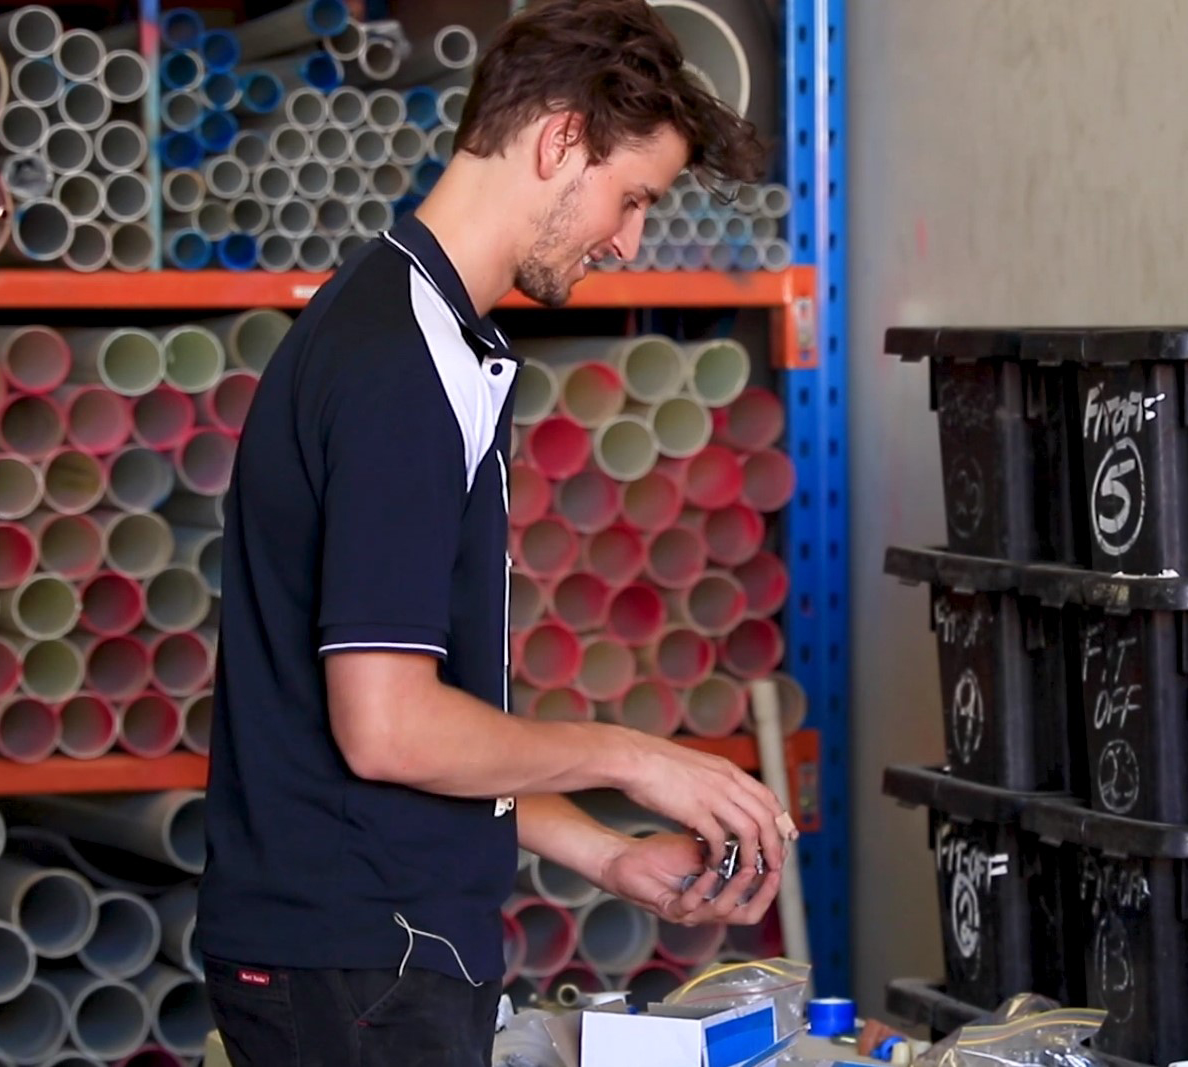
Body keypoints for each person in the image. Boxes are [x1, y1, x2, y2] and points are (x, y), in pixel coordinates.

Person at [196, 2, 787, 1063]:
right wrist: (638, 757)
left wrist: (601, 851)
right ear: (560, 138)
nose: (629, 239)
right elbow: (389, 728)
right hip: (356, 966)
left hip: (369, 952)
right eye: (630, 196)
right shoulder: (397, 369)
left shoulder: (435, 341)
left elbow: (426, 731)